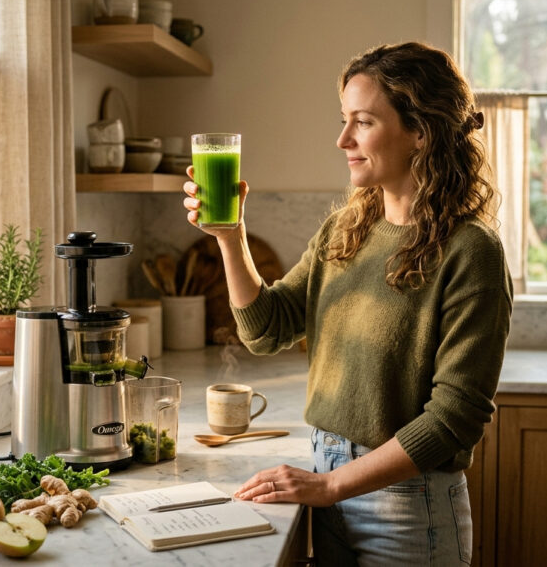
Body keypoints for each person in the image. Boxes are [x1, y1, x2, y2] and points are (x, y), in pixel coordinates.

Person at [182, 41, 512, 566]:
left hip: (408, 510)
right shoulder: (346, 229)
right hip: (327, 482)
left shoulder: (471, 251)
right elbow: (266, 329)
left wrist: (333, 485)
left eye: (362, 122)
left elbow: (455, 418)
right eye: (344, 120)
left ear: (420, 131)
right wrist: (229, 235)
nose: (342, 140)